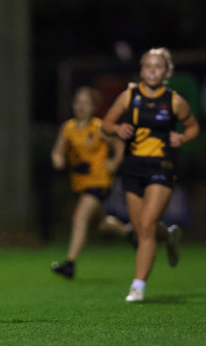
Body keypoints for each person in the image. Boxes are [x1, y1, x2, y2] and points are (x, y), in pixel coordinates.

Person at [101, 47, 199, 302]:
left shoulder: (174, 100)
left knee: (145, 226)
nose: (152, 71)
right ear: (142, 70)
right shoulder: (129, 96)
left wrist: (182, 136)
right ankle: (169, 235)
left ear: (166, 71)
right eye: (148, 66)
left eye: (158, 67)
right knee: (141, 228)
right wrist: (117, 127)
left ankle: (138, 286)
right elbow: (106, 123)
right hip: (133, 168)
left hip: (162, 166)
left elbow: (192, 127)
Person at [50, 86, 127, 279]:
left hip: (99, 182)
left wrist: (114, 163)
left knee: (79, 218)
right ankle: (130, 233)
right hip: (81, 184)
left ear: (93, 107)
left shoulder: (99, 127)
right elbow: (58, 152)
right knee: (100, 223)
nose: (81, 106)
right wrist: (58, 159)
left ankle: (70, 264)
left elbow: (119, 144)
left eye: (85, 103)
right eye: (78, 102)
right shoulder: (68, 128)